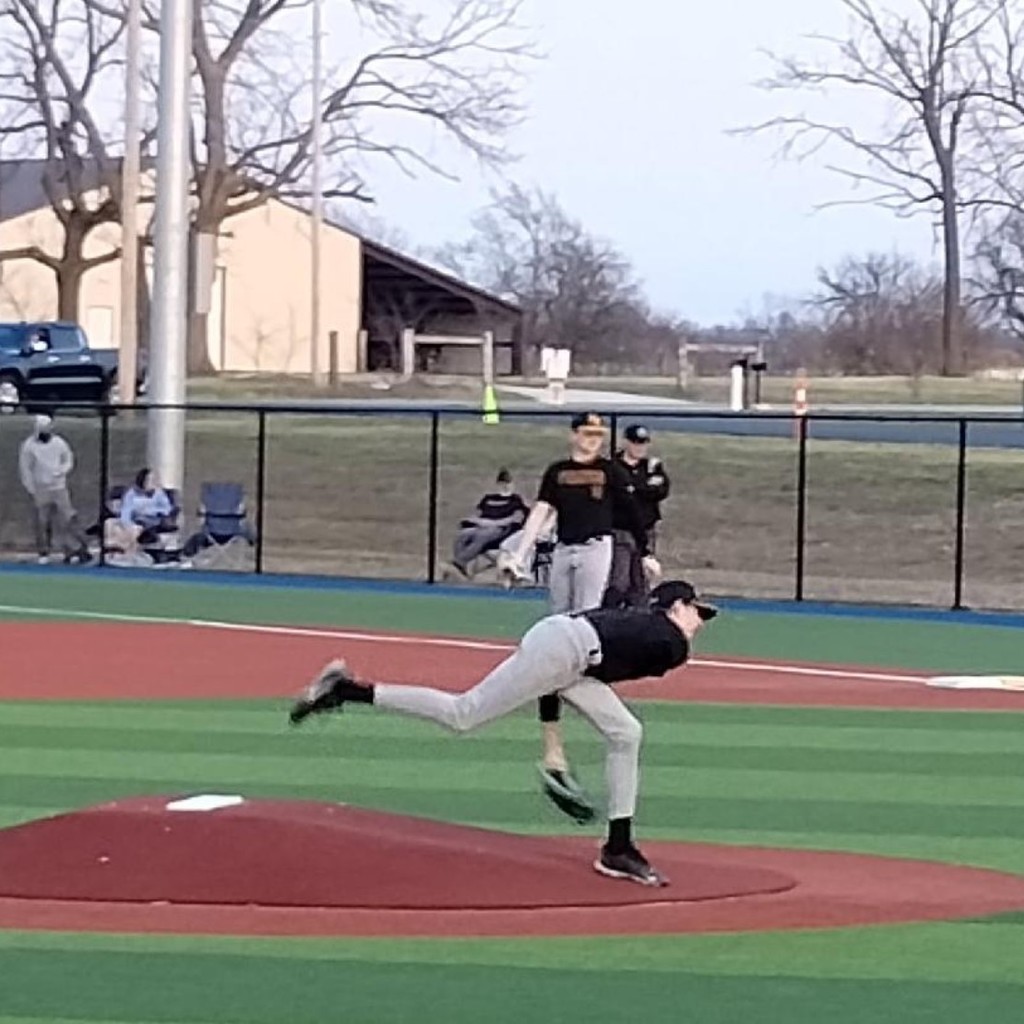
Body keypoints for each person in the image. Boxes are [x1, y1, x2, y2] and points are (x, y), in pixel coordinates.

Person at [289, 580, 718, 886]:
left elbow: (566, 677)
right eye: (698, 611)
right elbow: (566, 667)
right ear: (675, 607)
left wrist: (554, 746)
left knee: (626, 731)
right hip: (564, 650)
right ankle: (346, 690)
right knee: (463, 714)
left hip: (567, 652)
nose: (702, 621)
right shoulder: (668, 640)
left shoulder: (636, 627)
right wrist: (552, 745)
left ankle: (618, 847)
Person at [497, 411, 660, 819]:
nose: (592, 440)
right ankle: (556, 735)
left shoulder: (609, 470)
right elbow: (541, 512)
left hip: (594, 548)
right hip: (565, 550)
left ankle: (580, 690)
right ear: (573, 435)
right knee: (556, 633)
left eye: (597, 434)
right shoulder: (558, 471)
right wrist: (519, 551)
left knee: (584, 626)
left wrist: (648, 555)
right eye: (586, 433)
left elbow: (632, 514)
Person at [602, 423, 672, 610]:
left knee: (641, 582)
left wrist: (635, 488)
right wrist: (636, 489)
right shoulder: (612, 466)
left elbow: (660, 490)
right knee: (619, 581)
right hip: (620, 531)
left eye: (643, 443)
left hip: (646, 530)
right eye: (635, 443)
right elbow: (619, 496)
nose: (639, 448)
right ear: (626, 442)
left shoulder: (652, 466)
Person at [18, 413, 91, 565]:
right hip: (40, 489)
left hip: (59, 488)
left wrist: (62, 471)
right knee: (42, 522)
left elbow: (68, 459)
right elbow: (25, 469)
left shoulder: (59, 443)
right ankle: (43, 552)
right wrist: (31, 488)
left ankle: (75, 549)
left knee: (68, 519)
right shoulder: (28, 446)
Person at [448, 468, 529, 578]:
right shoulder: (488, 499)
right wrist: (478, 522)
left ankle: (458, 563)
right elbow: (475, 515)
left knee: (483, 535)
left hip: (501, 530)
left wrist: (492, 523)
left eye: (508, 483)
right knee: (462, 535)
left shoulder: (515, 500)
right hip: (481, 526)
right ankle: (460, 566)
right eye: (502, 483)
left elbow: (515, 519)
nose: (505, 486)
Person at [107, 467, 176, 558]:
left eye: (154, 480)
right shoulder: (131, 494)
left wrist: (150, 511)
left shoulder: (159, 494)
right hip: (133, 520)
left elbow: (167, 509)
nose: (154, 482)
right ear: (143, 481)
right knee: (109, 523)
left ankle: (130, 553)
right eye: (151, 480)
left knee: (135, 530)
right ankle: (112, 550)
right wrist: (127, 524)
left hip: (151, 522)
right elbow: (126, 510)